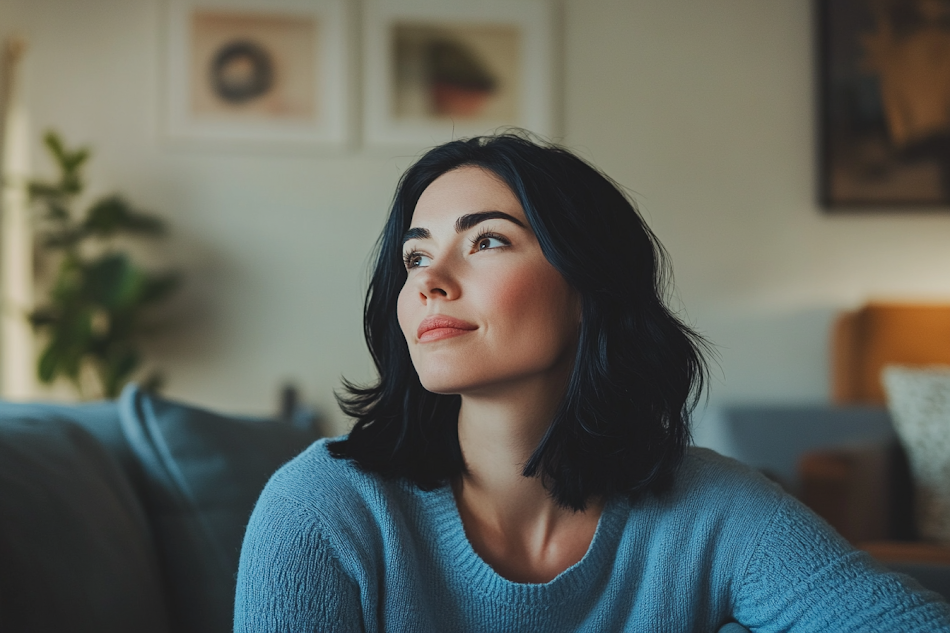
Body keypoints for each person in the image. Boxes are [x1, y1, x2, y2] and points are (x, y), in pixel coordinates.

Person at [234, 133, 950, 632]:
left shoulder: (715, 510)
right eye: (415, 257)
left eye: (486, 240)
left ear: (587, 287)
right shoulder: (321, 509)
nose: (430, 282)